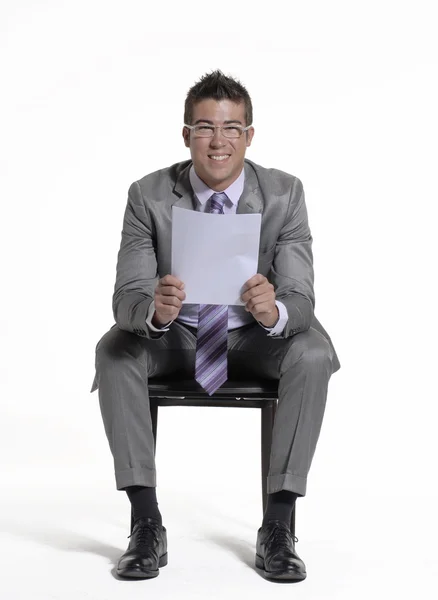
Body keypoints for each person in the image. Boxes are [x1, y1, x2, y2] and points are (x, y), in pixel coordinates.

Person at [90, 69, 340, 582]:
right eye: (204, 127)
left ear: (249, 134)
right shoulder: (148, 194)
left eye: (231, 128)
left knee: (312, 350)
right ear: (186, 135)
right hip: (177, 336)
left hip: (252, 337)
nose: (218, 141)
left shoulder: (285, 193)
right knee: (112, 350)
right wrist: (155, 311)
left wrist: (274, 312)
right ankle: (145, 523)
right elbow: (126, 298)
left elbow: (302, 298)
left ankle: (278, 525)